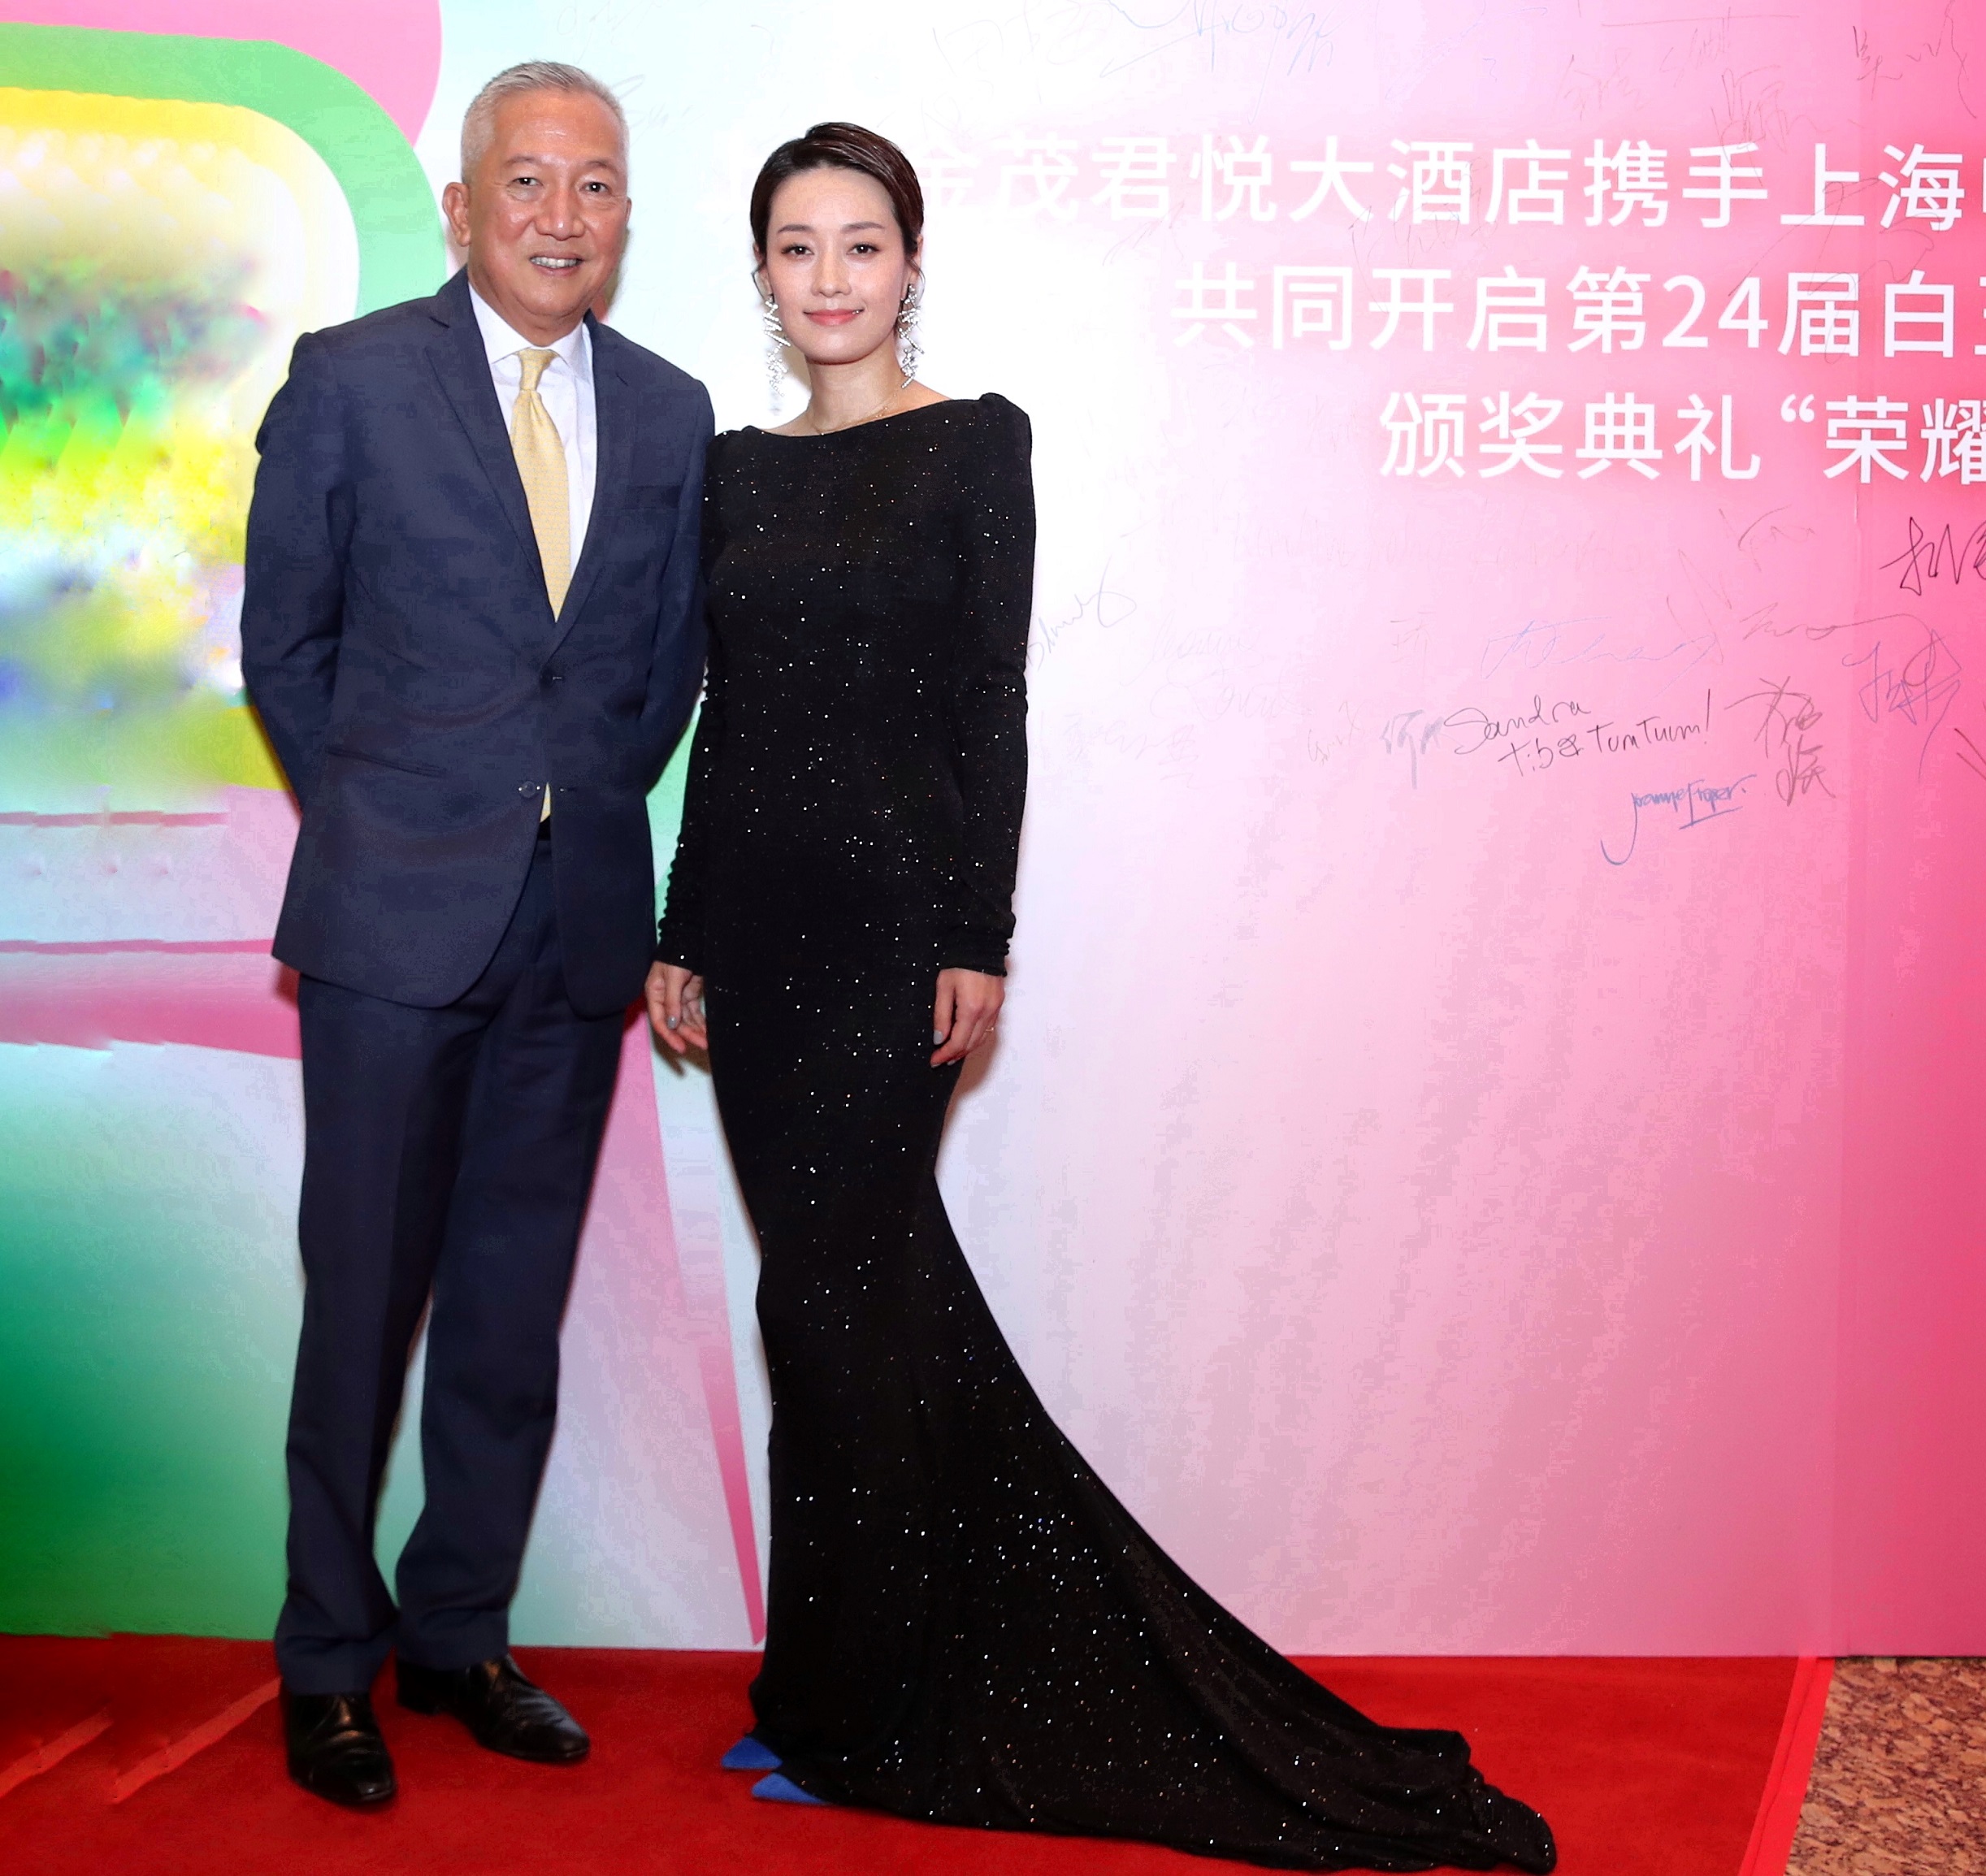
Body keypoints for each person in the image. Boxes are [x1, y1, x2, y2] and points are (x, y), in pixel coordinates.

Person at [645, 123, 1555, 1874]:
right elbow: (726, 713)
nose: (829, 276)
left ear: (911, 263)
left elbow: (989, 703)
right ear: (761, 273)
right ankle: (827, 1687)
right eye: (797, 246)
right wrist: (683, 925)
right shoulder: (735, 471)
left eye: (860, 243)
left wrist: (974, 935)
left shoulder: (975, 443)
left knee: (848, 1307)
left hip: (891, 941)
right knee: (821, 1313)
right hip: (755, 943)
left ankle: (883, 1704)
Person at [241, 62, 714, 1809]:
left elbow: (661, 668)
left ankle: (458, 1634)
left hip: (572, 934)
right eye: (527, 180)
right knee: (360, 1306)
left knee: (510, 1314)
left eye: (595, 185)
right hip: (388, 929)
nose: (560, 216)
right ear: (461, 205)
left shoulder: (669, 412)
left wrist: (571, 814)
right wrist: (389, 819)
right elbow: (284, 646)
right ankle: (325, 1660)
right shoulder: (351, 379)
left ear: (625, 215)